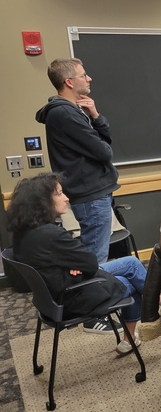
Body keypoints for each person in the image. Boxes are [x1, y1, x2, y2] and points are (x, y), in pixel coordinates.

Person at [7, 173, 146, 354]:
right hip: (73, 297)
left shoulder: (24, 232)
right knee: (133, 283)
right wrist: (76, 265)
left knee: (131, 263)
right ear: (42, 201)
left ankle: (158, 300)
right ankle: (142, 324)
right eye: (59, 193)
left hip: (51, 297)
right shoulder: (52, 235)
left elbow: (73, 263)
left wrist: (73, 265)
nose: (66, 198)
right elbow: (90, 263)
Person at [36, 58, 119, 265]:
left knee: (93, 254)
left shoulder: (74, 110)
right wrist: (99, 135)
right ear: (69, 82)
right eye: (83, 75)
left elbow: (104, 142)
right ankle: (93, 296)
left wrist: (96, 116)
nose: (89, 79)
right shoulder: (64, 113)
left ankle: (93, 293)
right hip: (90, 194)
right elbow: (104, 151)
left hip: (92, 192)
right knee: (95, 260)